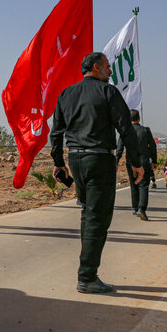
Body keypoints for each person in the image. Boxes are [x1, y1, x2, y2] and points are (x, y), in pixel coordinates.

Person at [50, 51, 143, 294]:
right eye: (107, 67)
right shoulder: (108, 92)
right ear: (95, 67)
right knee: (97, 218)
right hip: (99, 160)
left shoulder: (66, 94)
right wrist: (136, 162)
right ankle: (87, 276)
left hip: (77, 160)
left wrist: (59, 162)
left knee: (89, 214)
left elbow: (56, 133)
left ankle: (88, 271)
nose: (110, 72)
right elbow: (126, 129)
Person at [116, 110, 157, 221]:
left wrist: (116, 161)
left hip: (131, 163)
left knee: (134, 185)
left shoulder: (125, 132)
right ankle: (141, 209)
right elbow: (153, 147)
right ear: (139, 118)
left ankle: (135, 208)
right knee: (143, 185)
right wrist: (154, 161)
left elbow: (119, 148)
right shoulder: (145, 130)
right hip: (144, 162)